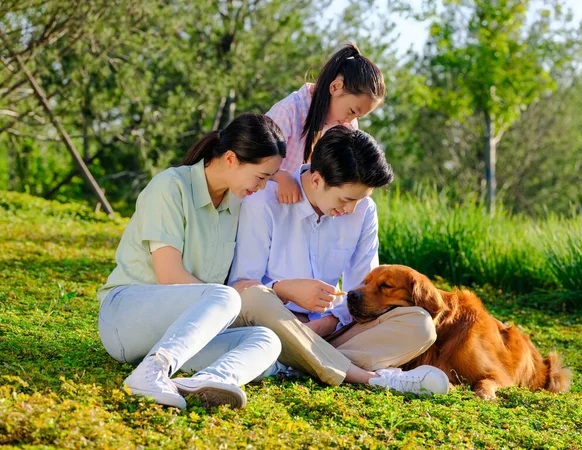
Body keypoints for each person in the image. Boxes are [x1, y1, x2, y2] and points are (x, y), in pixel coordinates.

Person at [228, 126, 450, 395]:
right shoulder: (264, 201)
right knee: (255, 297)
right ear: (317, 180)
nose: (351, 210)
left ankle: (295, 364)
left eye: (360, 199)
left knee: (420, 325)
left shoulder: (363, 211)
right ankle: (362, 376)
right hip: (276, 323)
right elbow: (242, 286)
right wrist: (285, 289)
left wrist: (327, 322)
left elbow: (363, 291)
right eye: (346, 199)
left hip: (334, 332)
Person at [97, 114, 287, 410]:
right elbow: (169, 275)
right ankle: (153, 372)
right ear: (231, 159)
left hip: (179, 333)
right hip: (124, 318)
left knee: (266, 340)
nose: (261, 188)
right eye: (261, 177)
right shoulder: (170, 187)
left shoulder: (236, 205)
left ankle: (208, 379)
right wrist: (230, 301)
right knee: (224, 296)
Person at [267, 42, 385, 204]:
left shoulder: (347, 126)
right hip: (269, 198)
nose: (350, 122)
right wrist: (281, 176)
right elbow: (254, 159)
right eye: (352, 111)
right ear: (335, 87)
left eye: (358, 116)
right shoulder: (289, 111)